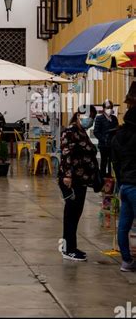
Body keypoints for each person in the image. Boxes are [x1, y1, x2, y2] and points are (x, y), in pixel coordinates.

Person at [58, 109, 99, 261]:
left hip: (81, 180)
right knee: (71, 213)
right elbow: (66, 153)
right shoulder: (70, 131)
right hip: (72, 180)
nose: (91, 121)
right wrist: (68, 175)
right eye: (90, 117)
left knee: (76, 214)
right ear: (79, 116)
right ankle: (68, 249)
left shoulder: (81, 132)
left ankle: (71, 246)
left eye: (93, 118)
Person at [112, 85, 136, 272]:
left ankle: (126, 261)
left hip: (126, 185)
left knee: (124, 225)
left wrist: (120, 182)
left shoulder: (118, 135)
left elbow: (116, 162)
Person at [94, 99, 119, 177]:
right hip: (103, 145)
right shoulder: (99, 118)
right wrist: (104, 139)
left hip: (113, 145)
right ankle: (102, 177)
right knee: (104, 162)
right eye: (108, 107)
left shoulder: (114, 118)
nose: (109, 109)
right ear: (104, 108)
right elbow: (96, 132)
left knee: (112, 162)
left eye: (111, 107)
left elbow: (117, 130)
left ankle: (110, 177)